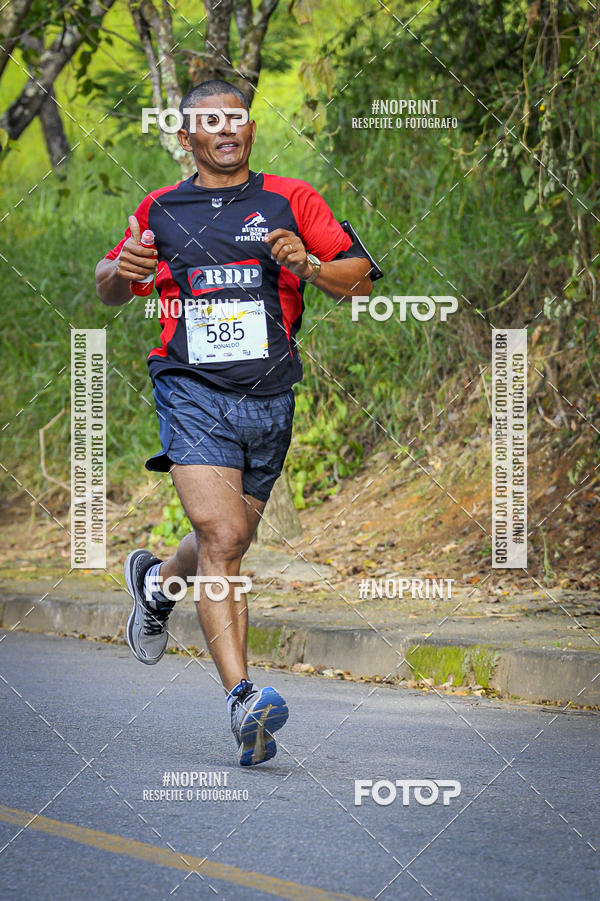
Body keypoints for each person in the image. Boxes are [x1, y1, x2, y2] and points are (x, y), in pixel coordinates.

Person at [95, 79, 374, 766]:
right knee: (223, 535)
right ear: (186, 138)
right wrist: (117, 266)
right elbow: (110, 282)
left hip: (271, 397)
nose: (227, 130)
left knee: (233, 534)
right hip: (189, 388)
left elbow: (361, 276)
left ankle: (157, 584)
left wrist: (310, 264)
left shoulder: (290, 198)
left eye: (237, 119)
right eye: (209, 122)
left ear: (249, 130)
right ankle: (243, 700)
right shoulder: (160, 209)